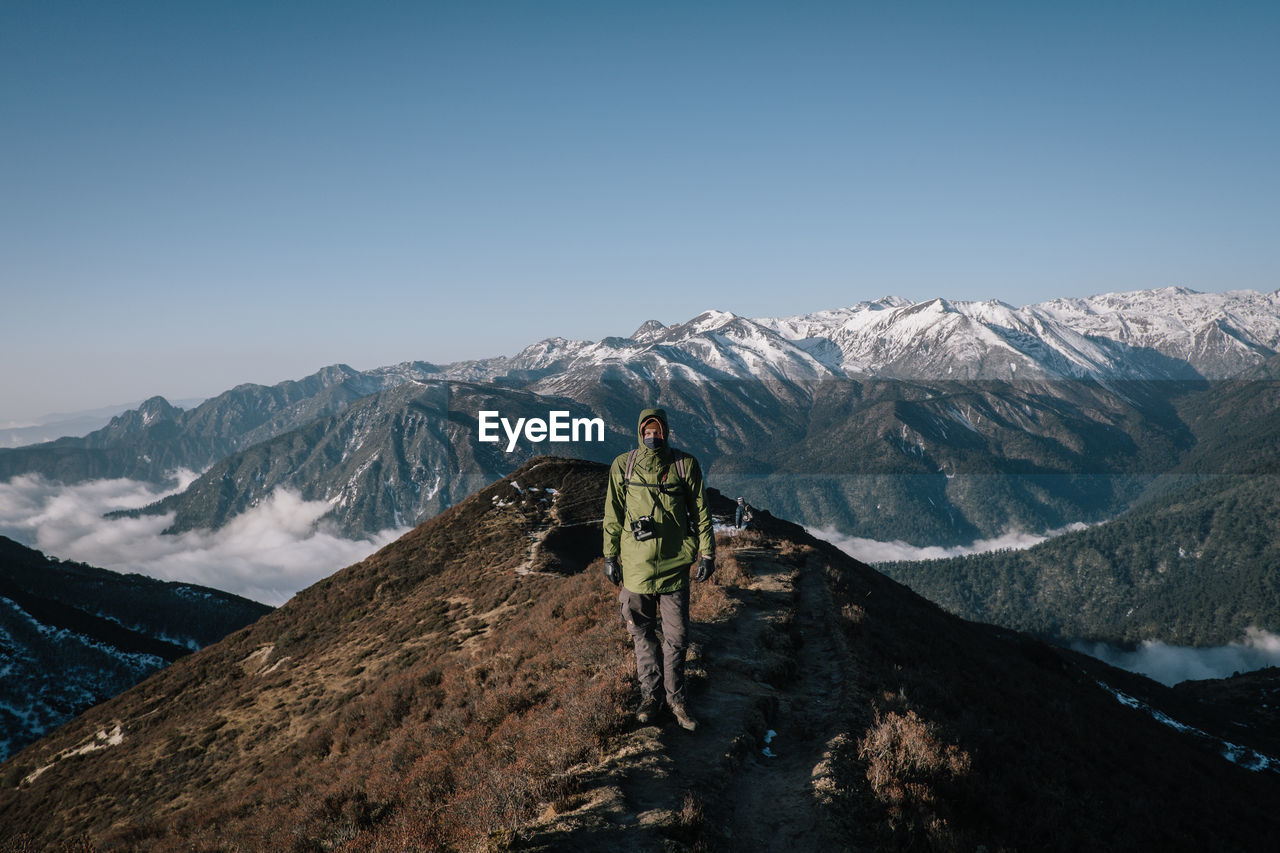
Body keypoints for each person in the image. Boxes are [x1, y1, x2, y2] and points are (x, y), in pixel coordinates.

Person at [602, 408, 715, 731]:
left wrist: (708, 553)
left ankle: (676, 700)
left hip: (675, 565)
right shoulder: (623, 466)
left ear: (666, 433)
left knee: (677, 638)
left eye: (658, 432)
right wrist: (610, 556)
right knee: (642, 637)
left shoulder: (684, 465)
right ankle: (650, 699)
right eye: (648, 432)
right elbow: (613, 515)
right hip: (636, 569)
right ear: (640, 433)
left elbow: (701, 512)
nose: (653, 437)